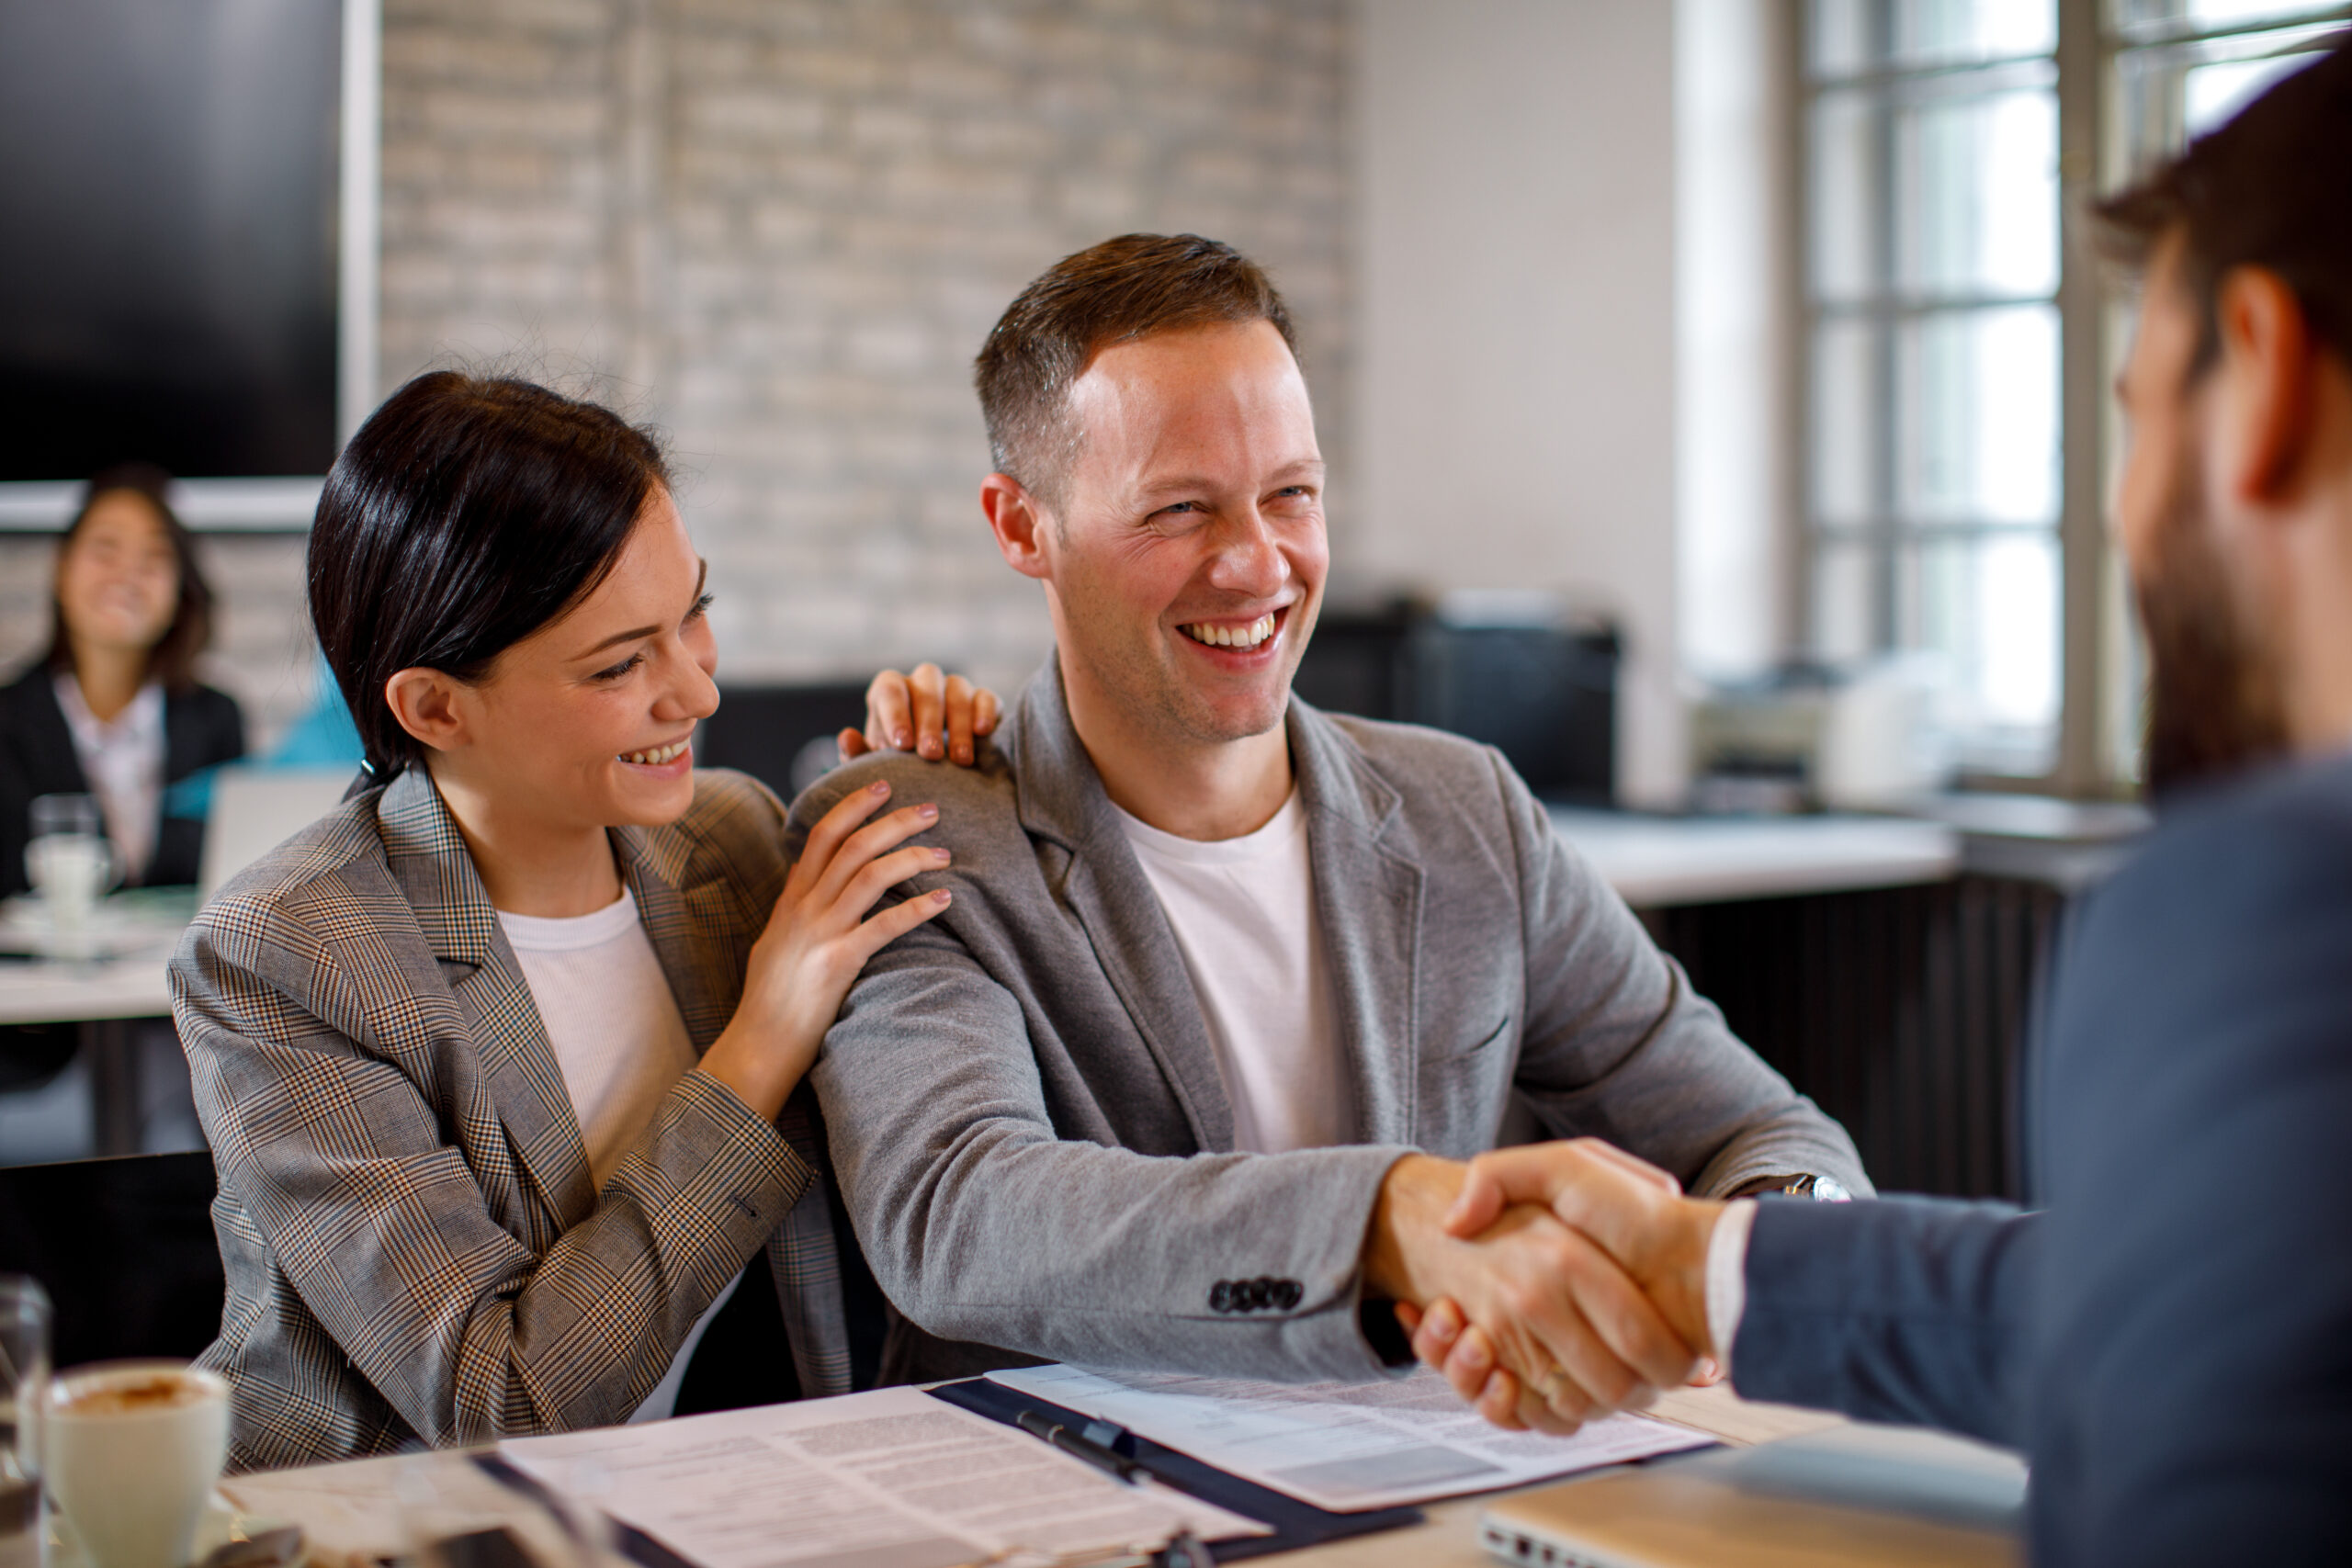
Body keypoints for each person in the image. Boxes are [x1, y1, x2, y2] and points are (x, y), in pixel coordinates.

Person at [1403, 39, 2352, 1565]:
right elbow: (2171, 1323)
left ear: (2264, 377)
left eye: (2136, 406)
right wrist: (1702, 1268)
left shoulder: (2276, 907)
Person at [788, 234, 1869, 1409]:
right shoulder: (908, 833)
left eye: (1289, 495)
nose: (1256, 564)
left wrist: (1767, 1250)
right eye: (1178, 510)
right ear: (1020, 526)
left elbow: (1762, 1127)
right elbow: (959, 1215)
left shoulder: (1469, 813)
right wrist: (1386, 1220)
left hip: (1441, 1483)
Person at [169, 371, 996, 1471]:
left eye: (693, 613)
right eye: (618, 664)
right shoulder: (287, 955)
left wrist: (935, 779)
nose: (696, 693)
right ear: (433, 707)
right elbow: (501, 1403)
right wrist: (761, 1042)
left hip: (712, 1494)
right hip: (387, 1521)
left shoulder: (734, 842)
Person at [0, 464, 244, 897]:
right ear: (62, 568)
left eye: (154, 556)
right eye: (105, 548)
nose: (128, 574)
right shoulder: (8, 720)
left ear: (179, 590)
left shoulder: (215, 720)